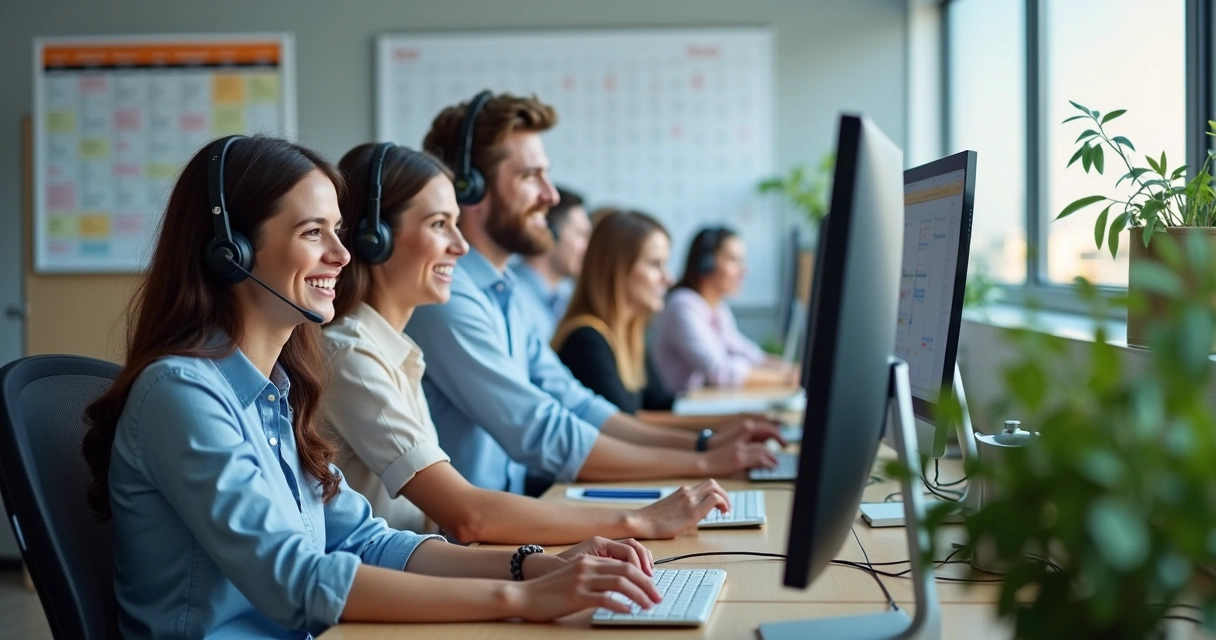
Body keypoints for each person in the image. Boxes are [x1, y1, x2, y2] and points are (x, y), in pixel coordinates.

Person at [80, 135, 661, 638]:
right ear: (231, 252)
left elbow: (366, 541)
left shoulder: (277, 392)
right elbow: (297, 582)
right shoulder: (182, 394)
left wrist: (536, 566)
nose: (341, 254)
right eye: (314, 233)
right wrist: (523, 601)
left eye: (339, 230)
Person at [322, 142, 732, 544]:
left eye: (455, 223)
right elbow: (468, 516)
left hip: (436, 564)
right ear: (374, 237)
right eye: (438, 225)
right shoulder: (352, 353)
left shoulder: (396, 349)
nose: (460, 246)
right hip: (402, 586)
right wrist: (637, 522)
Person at [407, 91, 783, 497]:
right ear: (470, 188)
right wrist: (703, 463)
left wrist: (704, 445)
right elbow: (541, 431)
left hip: (512, 517)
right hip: (468, 544)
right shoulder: (447, 299)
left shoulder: (506, 294)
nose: (550, 196)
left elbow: (577, 405)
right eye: (530, 177)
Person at [553, 209, 771, 433]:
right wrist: (714, 440)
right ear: (618, 270)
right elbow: (628, 430)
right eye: (655, 264)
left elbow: (660, 407)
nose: (669, 278)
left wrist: (736, 423)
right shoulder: (586, 340)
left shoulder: (626, 334)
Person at [653, 226, 797, 394]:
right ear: (706, 264)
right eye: (733, 260)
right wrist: (787, 379)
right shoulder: (682, 305)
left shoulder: (717, 308)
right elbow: (720, 371)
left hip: (700, 402)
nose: (744, 269)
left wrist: (788, 369)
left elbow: (747, 353)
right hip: (677, 407)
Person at [511, 186, 591, 340]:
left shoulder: (569, 296)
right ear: (549, 232)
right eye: (581, 234)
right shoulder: (511, 295)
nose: (587, 247)